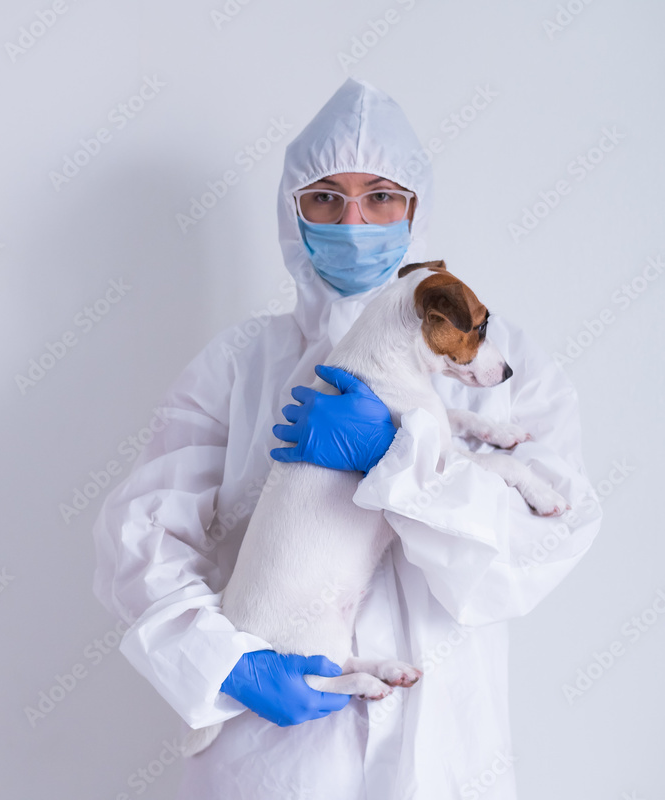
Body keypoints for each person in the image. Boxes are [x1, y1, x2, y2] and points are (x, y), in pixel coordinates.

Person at [91, 78, 602, 799]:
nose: (354, 220)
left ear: (416, 209)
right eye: (325, 197)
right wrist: (226, 663)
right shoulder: (241, 365)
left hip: (443, 753)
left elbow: (538, 548)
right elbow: (141, 538)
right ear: (291, 211)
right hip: (269, 758)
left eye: (382, 196)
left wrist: (398, 460)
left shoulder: (500, 363)